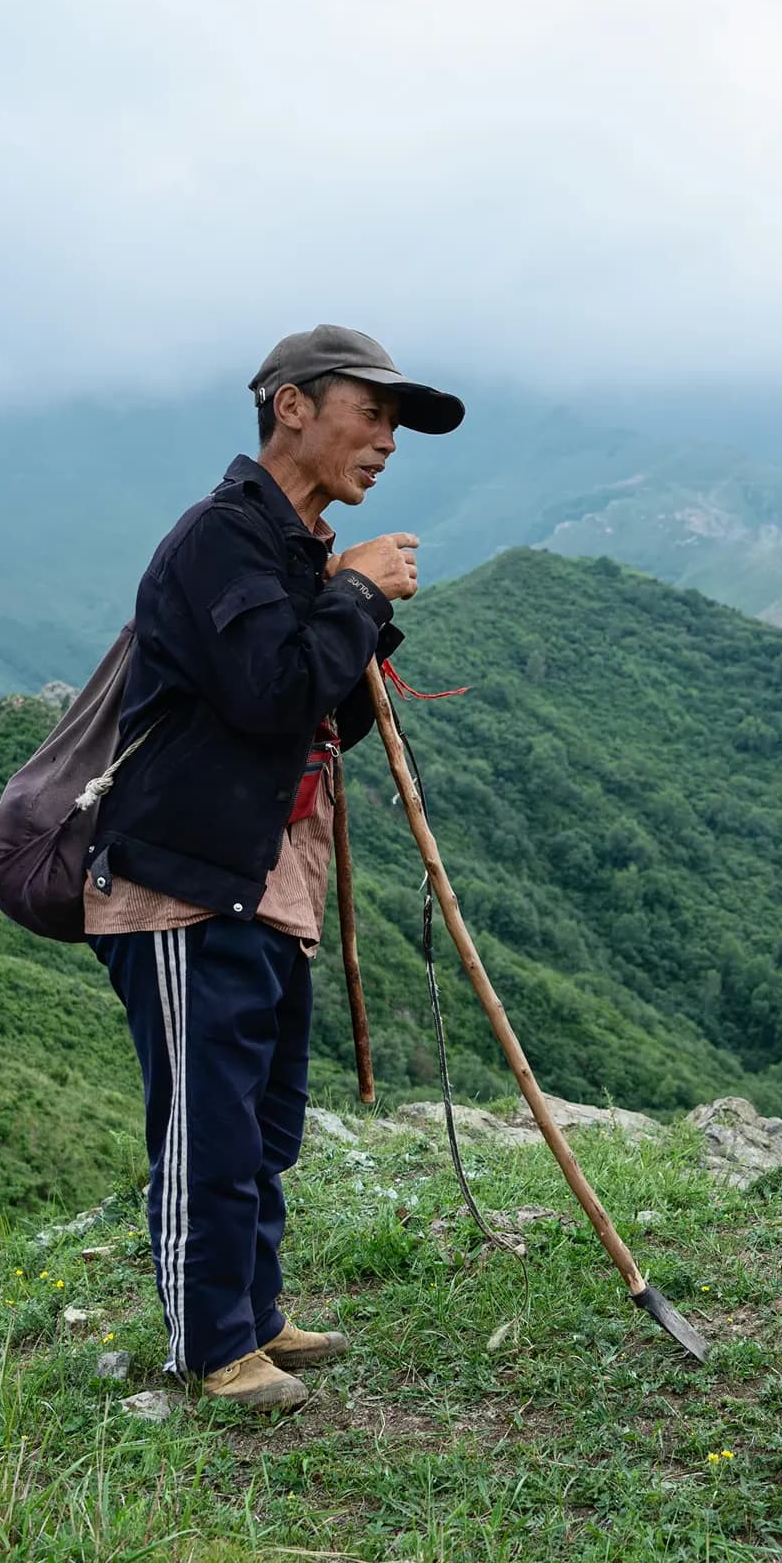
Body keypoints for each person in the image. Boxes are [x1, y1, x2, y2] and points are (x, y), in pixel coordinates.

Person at [83, 326, 463, 1409]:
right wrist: (357, 597)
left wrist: (351, 611)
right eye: (372, 411)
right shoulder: (220, 539)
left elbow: (314, 714)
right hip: (182, 878)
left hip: (264, 876)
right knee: (205, 1115)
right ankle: (210, 1348)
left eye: (398, 423)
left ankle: (255, 1311)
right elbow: (263, 689)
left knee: (261, 1113)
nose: (387, 440)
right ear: (291, 406)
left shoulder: (296, 549)